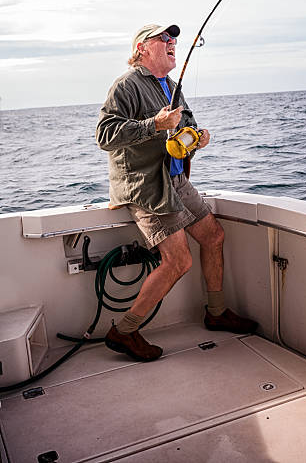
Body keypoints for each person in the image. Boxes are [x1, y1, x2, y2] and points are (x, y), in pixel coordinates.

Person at [96, 23, 257, 362]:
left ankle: (215, 312)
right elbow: (105, 135)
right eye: (164, 39)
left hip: (176, 181)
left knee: (213, 236)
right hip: (147, 185)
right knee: (178, 260)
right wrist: (154, 124)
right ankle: (123, 331)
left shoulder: (170, 86)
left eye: (174, 40)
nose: (172, 43)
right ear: (142, 48)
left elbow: (187, 126)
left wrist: (196, 137)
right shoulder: (126, 85)